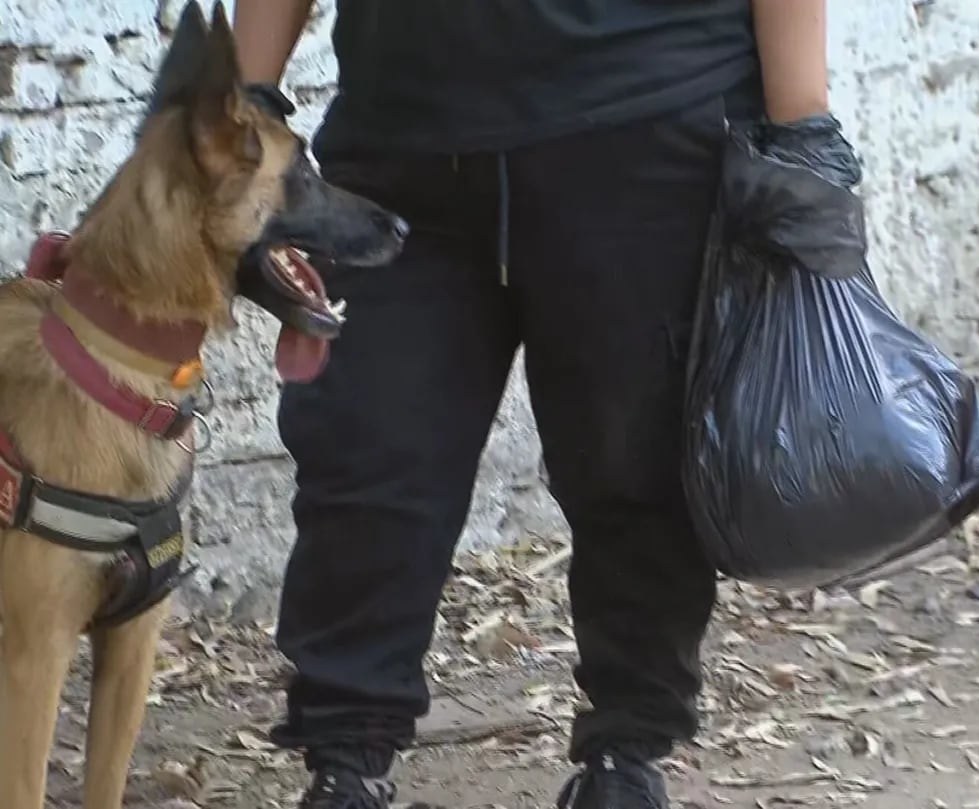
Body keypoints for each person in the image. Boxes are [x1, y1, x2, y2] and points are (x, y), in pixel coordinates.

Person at [232, 2, 838, 807]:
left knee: (636, 461)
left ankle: (628, 754)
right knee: (367, 450)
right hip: (400, 140)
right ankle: (344, 760)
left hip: (644, 121)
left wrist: (800, 122)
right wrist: (246, 99)